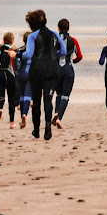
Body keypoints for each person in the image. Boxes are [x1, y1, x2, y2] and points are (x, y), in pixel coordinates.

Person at [22, 9, 66, 140]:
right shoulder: (55, 34)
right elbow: (63, 51)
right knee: (48, 100)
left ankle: (36, 130)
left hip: (36, 71)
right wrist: (52, 56)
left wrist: (17, 54)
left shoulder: (32, 36)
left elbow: (28, 54)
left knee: (36, 101)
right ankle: (48, 125)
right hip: (52, 71)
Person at [52, 18, 83, 129]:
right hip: (68, 69)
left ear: (58, 28)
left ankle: (56, 113)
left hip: (56, 70)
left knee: (58, 94)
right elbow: (79, 56)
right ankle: (59, 118)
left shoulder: (53, 39)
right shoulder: (73, 40)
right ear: (68, 28)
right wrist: (72, 61)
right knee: (65, 96)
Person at [0, 32, 19, 129]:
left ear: (3, 40)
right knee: (11, 99)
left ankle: (0, 110)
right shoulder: (11, 51)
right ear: (12, 41)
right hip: (10, 76)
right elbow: (14, 67)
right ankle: (12, 122)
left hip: (0, 75)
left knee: (1, 96)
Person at [15, 31, 32, 129]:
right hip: (30, 73)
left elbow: (15, 60)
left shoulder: (19, 49)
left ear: (23, 40)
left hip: (20, 73)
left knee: (21, 95)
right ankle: (25, 114)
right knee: (28, 95)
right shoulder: (34, 50)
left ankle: (22, 118)